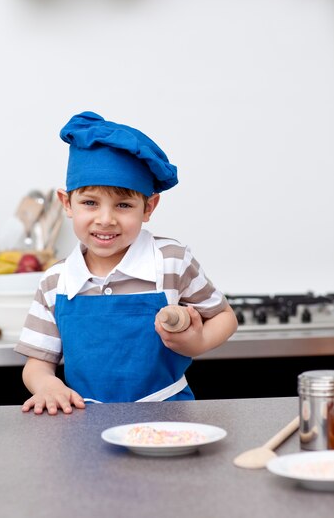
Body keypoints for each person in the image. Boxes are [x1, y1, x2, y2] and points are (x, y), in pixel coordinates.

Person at [14, 111, 238, 414]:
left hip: (167, 414)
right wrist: (48, 386)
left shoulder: (171, 261)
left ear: (149, 207)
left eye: (123, 205)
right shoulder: (56, 282)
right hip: (84, 420)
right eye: (90, 202)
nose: (106, 219)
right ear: (67, 203)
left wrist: (196, 342)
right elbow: (37, 362)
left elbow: (225, 317)